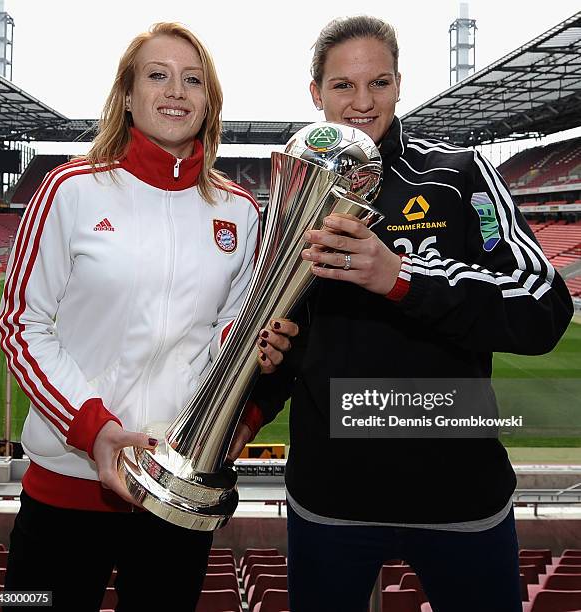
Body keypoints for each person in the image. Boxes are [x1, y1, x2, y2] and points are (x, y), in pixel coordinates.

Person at [248, 15, 574, 612]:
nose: (361, 103)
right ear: (316, 94)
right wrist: (268, 365)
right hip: (331, 496)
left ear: (400, 85)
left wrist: (400, 278)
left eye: (378, 83)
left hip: (459, 492)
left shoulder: (460, 176)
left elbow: (543, 306)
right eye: (343, 86)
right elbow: (287, 344)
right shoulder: (291, 200)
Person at [0, 22, 295, 612]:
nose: (176, 91)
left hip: (175, 493)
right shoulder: (69, 189)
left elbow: (227, 342)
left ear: (209, 101)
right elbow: (22, 325)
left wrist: (257, 354)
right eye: (157, 76)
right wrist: (94, 429)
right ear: (128, 95)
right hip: (65, 487)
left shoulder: (240, 209)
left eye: (193, 80)